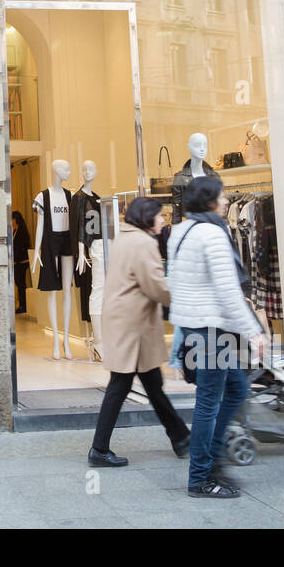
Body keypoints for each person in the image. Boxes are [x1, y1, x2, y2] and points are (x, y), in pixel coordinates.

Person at [167, 176, 266, 498]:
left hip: (196, 328)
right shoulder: (212, 232)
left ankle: (215, 458)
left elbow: (177, 282)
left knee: (236, 388)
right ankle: (201, 478)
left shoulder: (180, 231)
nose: (226, 201)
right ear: (209, 200)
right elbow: (227, 290)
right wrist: (253, 330)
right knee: (208, 403)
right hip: (210, 330)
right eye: (222, 196)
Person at [88, 196, 190, 468]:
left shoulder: (125, 237)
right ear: (147, 217)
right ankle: (99, 449)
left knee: (152, 385)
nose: (162, 220)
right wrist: (184, 296)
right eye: (158, 215)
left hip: (129, 324)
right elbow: (155, 286)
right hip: (133, 326)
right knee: (120, 386)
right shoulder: (144, 242)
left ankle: (181, 438)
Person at [12, 211, 31, 314]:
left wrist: (16, 258)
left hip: (21, 262)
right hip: (17, 262)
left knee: (21, 284)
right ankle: (22, 305)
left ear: (15, 219)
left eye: (12, 219)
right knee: (19, 283)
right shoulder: (15, 231)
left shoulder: (21, 231)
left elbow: (21, 247)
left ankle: (23, 306)